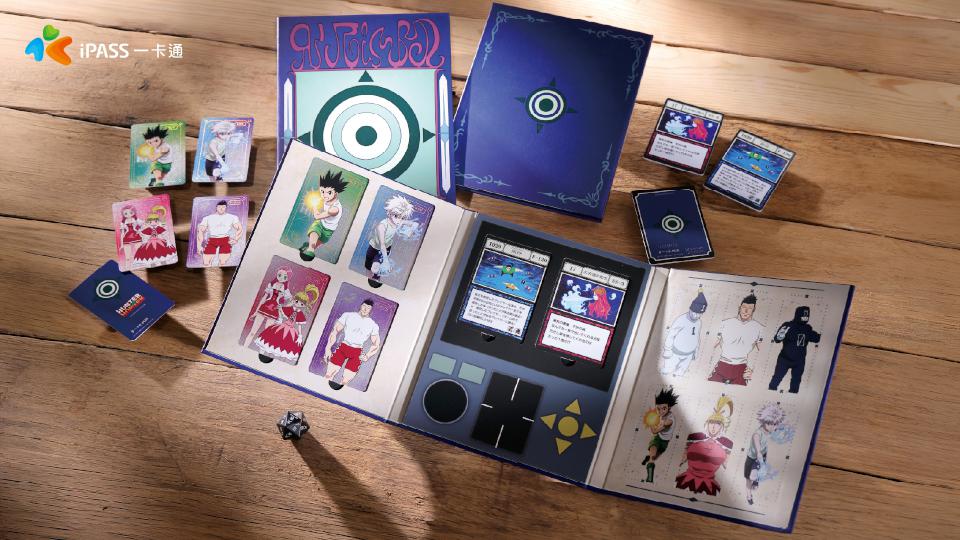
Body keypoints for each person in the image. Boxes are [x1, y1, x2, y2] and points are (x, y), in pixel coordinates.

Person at [676, 396, 734, 495]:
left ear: (722, 426)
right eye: (711, 422)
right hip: (688, 478)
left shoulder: (727, 443)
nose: (713, 427)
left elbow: (727, 465)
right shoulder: (695, 437)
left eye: (718, 424)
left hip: (709, 483)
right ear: (707, 423)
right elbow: (683, 456)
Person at [322, 299, 381, 390]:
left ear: (371, 310)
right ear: (361, 305)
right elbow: (335, 331)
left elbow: (376, 343)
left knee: (345, 382)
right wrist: (328, 348)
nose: (365, 309)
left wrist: (367, 356)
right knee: (328, 375)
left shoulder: (373, 325)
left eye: (368, 308)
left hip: (357, 352)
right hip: (343, 348)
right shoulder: (348, 315)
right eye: (364, 306)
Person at [254, 284, 321, 364]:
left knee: (284, 345)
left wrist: (300, 335)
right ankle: (265, 353)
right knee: (271, 340)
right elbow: (281, 310)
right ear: (294, 300)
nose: (298, 304)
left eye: (302, 304)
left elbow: (299, 325)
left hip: (291, 330)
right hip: (282, 325)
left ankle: (276, 359)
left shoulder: (300, 313)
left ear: (304, 305)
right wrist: (280, 319)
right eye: (297, 301)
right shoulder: (290, 308)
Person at [707, 294, 764, 386]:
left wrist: (753, 371)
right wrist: (708, 366)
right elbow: (712, 346)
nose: (746, 311)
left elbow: (762, 353)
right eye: (744, 307)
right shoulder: (725, 323)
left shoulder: (759, 328)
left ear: (754, 309)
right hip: (722, 365)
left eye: (750, 308)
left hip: (741, 368)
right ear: (739, 307)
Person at [364, 194, 415, 285]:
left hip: (386, 248)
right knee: (368, 266)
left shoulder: (399, 222)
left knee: (375, 269)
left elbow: (414, 224)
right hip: (375, 247)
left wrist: (408, 231)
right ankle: (371, 276)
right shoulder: (382, 226)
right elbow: (382, 244)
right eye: (396, 216)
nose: (398, 220)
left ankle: (377, 276)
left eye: (402, 217)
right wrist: (386, 261)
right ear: (389, 213)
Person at [768, 306, 821, 393]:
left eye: (807, 315)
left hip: (799, 361)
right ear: (798, 314)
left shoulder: (807, 328)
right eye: (803, 315)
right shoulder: (788, 325)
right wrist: (781, 335)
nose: (805, 317)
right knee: (776, 379)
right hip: (785, 359)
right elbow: (777, 339)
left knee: (796, 382)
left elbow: (817, 338)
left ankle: (792, 395)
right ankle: (770, 392)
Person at [300, 171, 349, 261]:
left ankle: (310, 246)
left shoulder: (335, 209)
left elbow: (317, 216)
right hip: (320, 224)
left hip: (329, 230)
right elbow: (318, 218)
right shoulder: (326, 199)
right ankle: (310, 248)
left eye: (329, 192)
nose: (324, 195)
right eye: (322, 191)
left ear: (336, 193)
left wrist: (314, 206)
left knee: (319, 242)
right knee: (315, 230)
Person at [745, 403, 787, 505]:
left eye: (775, 424)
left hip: (762, 455)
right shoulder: (757, 433)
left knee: (758, 472)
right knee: (748, 478)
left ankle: (756, 480)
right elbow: (756, 442)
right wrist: (759, 453)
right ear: (765, 422)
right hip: (753, 457)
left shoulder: (770, 429)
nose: (773, 427)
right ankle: (749, 496)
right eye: (771, 424)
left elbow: (778, 427)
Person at [660, 289, 708, 376]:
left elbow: (697, 337)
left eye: (699, 314)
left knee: (679, 374)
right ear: (691, 309)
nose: (696, 315)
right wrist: (667, 350)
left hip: (688, 355)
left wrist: (696, 351)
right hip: (675, 353)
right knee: (667, 371)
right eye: (695, 312)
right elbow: (671, 335)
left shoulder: (699, 322)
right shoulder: (681, 320)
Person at [243, 267, 291, 348]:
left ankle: (260, 351)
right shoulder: (271, 284)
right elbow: (264, 298)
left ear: (287, 278)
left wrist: (281, 307)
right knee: (252, 332)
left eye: (285, 276)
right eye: (279, 275)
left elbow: (291, 302)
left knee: (266, 335)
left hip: (274, 311)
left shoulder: (286, 290)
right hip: (264, 308)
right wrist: (256, 312)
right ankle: (244, 347)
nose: (281, 278)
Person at [641, 387, 679, 482]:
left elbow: (654, 431)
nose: (661, 411)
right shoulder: (660, 415)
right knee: (652, 458)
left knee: (654, 457)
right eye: (658, 408)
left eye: (664, 408)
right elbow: (655, 433)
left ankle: (648, 457)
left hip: (665, 442)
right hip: (657, 439)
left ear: (669, 408)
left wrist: (650, 423)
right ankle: (649, 479)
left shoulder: (669, 420)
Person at [197, 200, 242, 267]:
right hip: (212, 240)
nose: (221, 208)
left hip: (225, 240)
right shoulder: (207, 218)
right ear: (216, 207)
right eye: (219, 207)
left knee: (223, 263)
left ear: (226, 207)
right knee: (206, 263)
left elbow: (239, 228)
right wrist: (199, 246)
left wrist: (236, 239)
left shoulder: (232, 217)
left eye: (223, 207)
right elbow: (200, 231)